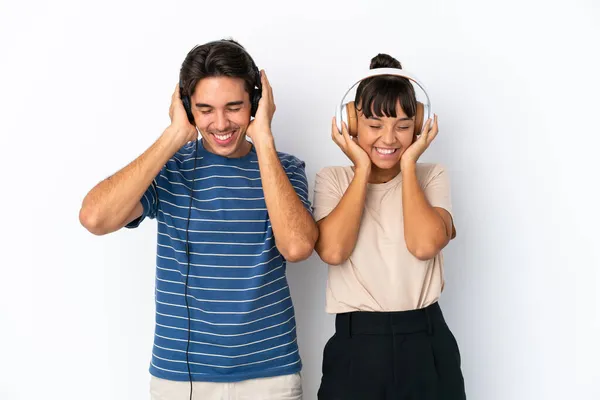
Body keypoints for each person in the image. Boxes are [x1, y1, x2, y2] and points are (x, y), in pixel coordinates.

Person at [79, 39, 317, 400]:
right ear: (187, 108)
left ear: (256, 101)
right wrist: (175, 134)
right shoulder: (169, 169)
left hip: (271, 375)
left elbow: (298, 247)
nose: (220, 123)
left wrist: (263, 138)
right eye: (204, 109)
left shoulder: (284, 169)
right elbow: (94, 218)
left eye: (234, 107)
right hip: (180, 377)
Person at [312, 53, 466, 399]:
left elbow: (424, 245)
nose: (390, 138)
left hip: (427, 339)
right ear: (352, 124)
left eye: (402, 125)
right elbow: (334, 251)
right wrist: (362, 169)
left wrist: (410, 164)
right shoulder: (333, 179)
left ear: (419, 124)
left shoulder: (432, 176)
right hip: (356, 345)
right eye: (375, 125)